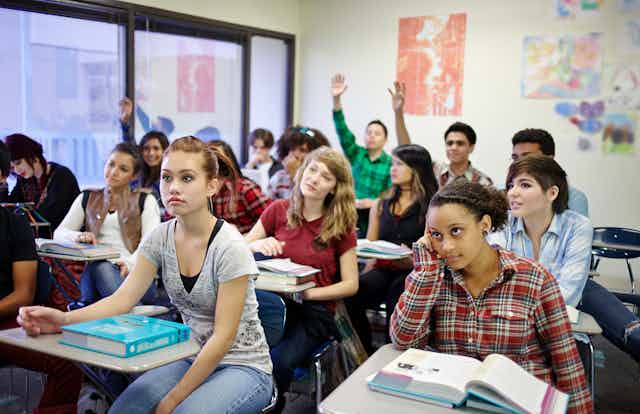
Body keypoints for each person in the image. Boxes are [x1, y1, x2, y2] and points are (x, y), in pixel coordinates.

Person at [18, 136, 273, 414]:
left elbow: (223, 338)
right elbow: (122, 299)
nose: (173, 187)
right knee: (123, 411)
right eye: (166, 177)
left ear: (211, 185)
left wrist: (172, 400)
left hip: (243, 365)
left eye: (187, 178)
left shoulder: (230, 246)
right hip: (192, 355)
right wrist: (63, 320)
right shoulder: (160, 237)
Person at [390, 181, 593, 413]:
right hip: (453, 404)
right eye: (436, 235)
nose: (445, 246)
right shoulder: (435, 277)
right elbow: (404, 341)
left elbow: (567, 365)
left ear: (484, 225)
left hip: (519, 405)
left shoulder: (534, 280)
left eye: (456, 231)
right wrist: (426, 272)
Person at [490, 155, 640, 362]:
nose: (513, 193)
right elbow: (496, 277)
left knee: (633, 334)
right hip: (527, 309)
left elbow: (569, 289)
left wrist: (523, 303)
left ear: (552, 193)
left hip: (570, 297)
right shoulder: (504, 223)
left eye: (524, 185)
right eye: (510, 185)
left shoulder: (577, 225)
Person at [245, 146, 358, 410]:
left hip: (314, 311)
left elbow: (351, 284)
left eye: (326, 177)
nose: (315, 178)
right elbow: (240, 245)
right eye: (313, 169)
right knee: (247, 354)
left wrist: (306, 294)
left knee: (279, 361)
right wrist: (258, 245)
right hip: (274, 304)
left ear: (334, 188)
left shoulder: (340, 225)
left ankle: (272, 405)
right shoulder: (279, 209)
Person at [0, 145, 83, 413]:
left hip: (5, 321)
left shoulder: (15, 224)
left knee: (69, 360)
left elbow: (23, 294)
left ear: (2, 177)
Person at [346, 144, 438, 354]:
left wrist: (413, 260)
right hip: (383, 267)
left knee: (397, 295)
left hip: (414, 271)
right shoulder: (381, 203)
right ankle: (366, 352)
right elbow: (370, 246)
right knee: (352, 294)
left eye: (399, 164)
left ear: (416, 169)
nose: (392, 169)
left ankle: (394, 356)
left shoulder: (432, 205)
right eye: (393, 164)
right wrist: (366, 272)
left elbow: (435, 250)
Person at [54, 143, 160, 306]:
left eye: (123, 169)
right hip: (98, 270)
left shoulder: (145, 200)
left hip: (135, 275)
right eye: (111, 164)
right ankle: (132, 316)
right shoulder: (87, 197)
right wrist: (78, 236)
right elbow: (59, 234)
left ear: (133, 176)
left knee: (98, 270)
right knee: (99, 266)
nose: (113, 172)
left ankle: (91, 309)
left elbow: (151, 242)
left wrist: (129, 263)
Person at [390, 82, 493, 188]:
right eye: (449, 143)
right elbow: (407, 152)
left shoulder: (481, 182)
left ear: (471, 147)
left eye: (460, 143)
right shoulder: (433, 170)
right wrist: (398, 113)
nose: (453, 147)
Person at [331, 74, 392, 235]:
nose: (371, 136)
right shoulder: (356, 154)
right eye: (369, 132)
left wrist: (373, 202)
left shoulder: (391, 163)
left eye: (377, 133)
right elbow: (342, 130)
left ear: (385, 140)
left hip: (375, 216)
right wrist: (336, 100)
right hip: (349, 212)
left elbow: (392, 194)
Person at [3, 133, 80, 232]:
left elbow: (46, 217)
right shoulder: (25, 179)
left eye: (18, 163)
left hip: (63, 241)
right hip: (39, 240)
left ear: (31, 154)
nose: (17, 170)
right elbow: (7, 209)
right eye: (12, 168)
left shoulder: (62, 176)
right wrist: (2, 180)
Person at [510, 128, 589, 217]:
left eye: (527, 157)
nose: (518, 163)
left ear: (549, 159)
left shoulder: (574, 198)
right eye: (515, 158)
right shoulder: (501, 193)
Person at [208, 140, 272, 234]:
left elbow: (274, 219)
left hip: (246, 243)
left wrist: (250, 238)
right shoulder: (200, 193)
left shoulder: (245, 189)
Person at [267, 126, 330, 199]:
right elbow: (270, 207)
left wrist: (294, 175)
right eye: (292, 149)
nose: (296, 154)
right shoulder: (278, 178)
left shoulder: (319, 179)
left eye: (303, 150)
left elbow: (306, 205)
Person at [133, 130, 170, 204]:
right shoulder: (138, 174)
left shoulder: (169, 176)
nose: (151, 153)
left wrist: (150, 194)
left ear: (164, 151)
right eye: (146, 148)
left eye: (156, 148)